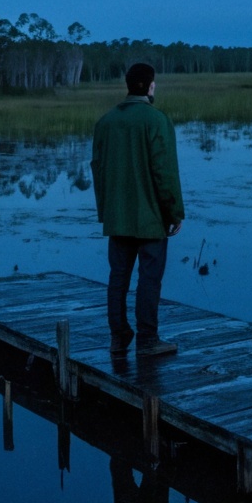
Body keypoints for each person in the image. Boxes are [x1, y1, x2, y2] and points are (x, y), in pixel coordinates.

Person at [91, 62, 184, 357]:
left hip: (117, 216)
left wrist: (105, 210)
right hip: (150, 218)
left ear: (128, 86)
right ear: (151, 85)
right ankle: (147, 340)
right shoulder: (156, 120)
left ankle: (118, 338)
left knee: (118, 277)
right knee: (149, 278)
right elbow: (164, 172)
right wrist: (175, 213)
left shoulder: (106, 122)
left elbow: (98, 169)